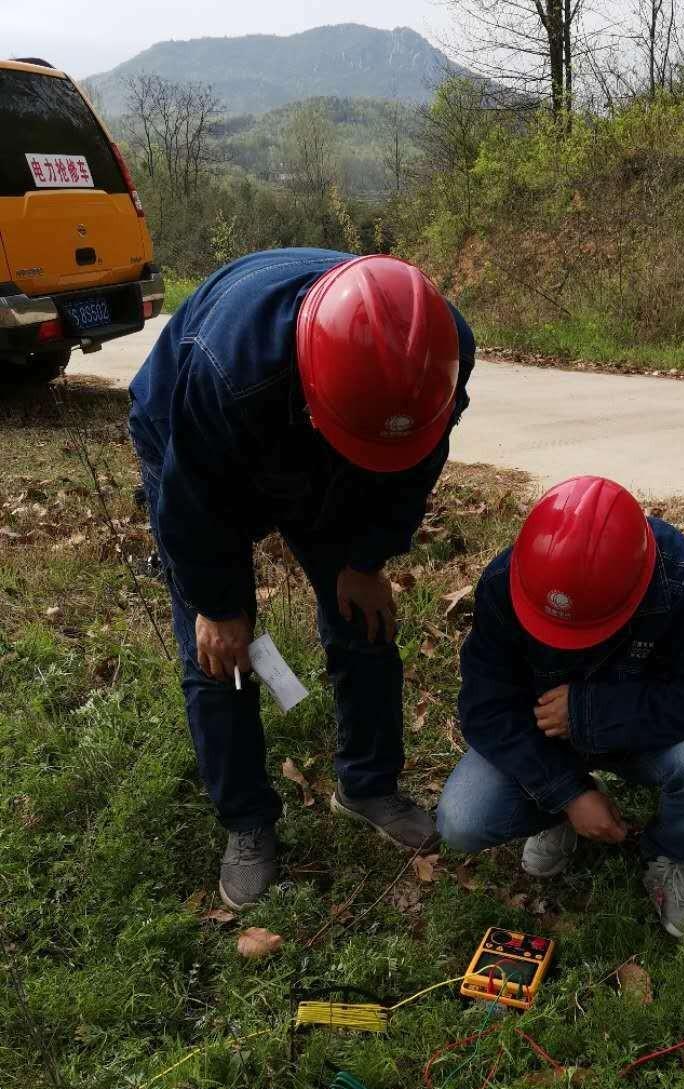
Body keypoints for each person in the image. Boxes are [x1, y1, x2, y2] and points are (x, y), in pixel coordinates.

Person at [129, 249, 475, 910]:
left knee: (364, 618)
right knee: (219, 655)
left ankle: (367, 785)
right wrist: (217, 602)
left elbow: (416, 465)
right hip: (197, 442)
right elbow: (190, 499)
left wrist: (365, 559)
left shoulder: (439, 349)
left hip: (350, 436)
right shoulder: (226, 368)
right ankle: (248, 824)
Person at [437, 475, 684, 939]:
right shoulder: (509, 580)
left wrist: (591, 711)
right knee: (463, 820)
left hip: (644, 739)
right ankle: (560, 817)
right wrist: (568, 792)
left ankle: (668, 854)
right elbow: (486, 708)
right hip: (543, 738)